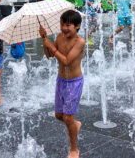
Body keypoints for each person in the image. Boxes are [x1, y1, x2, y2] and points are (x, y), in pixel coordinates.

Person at [39, 10, 85, 158]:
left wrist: (51, 47)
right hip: (61, 81)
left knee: (67, 118)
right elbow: (49, 56)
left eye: (68, 25)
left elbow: (66, 61)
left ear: (77, 26)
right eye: (62, 24)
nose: (64, 28)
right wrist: (44, 39)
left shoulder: (80, 42)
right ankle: (75, 124)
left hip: (74, 83)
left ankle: (74, 149)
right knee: (59, 115)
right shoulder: (59, 37)